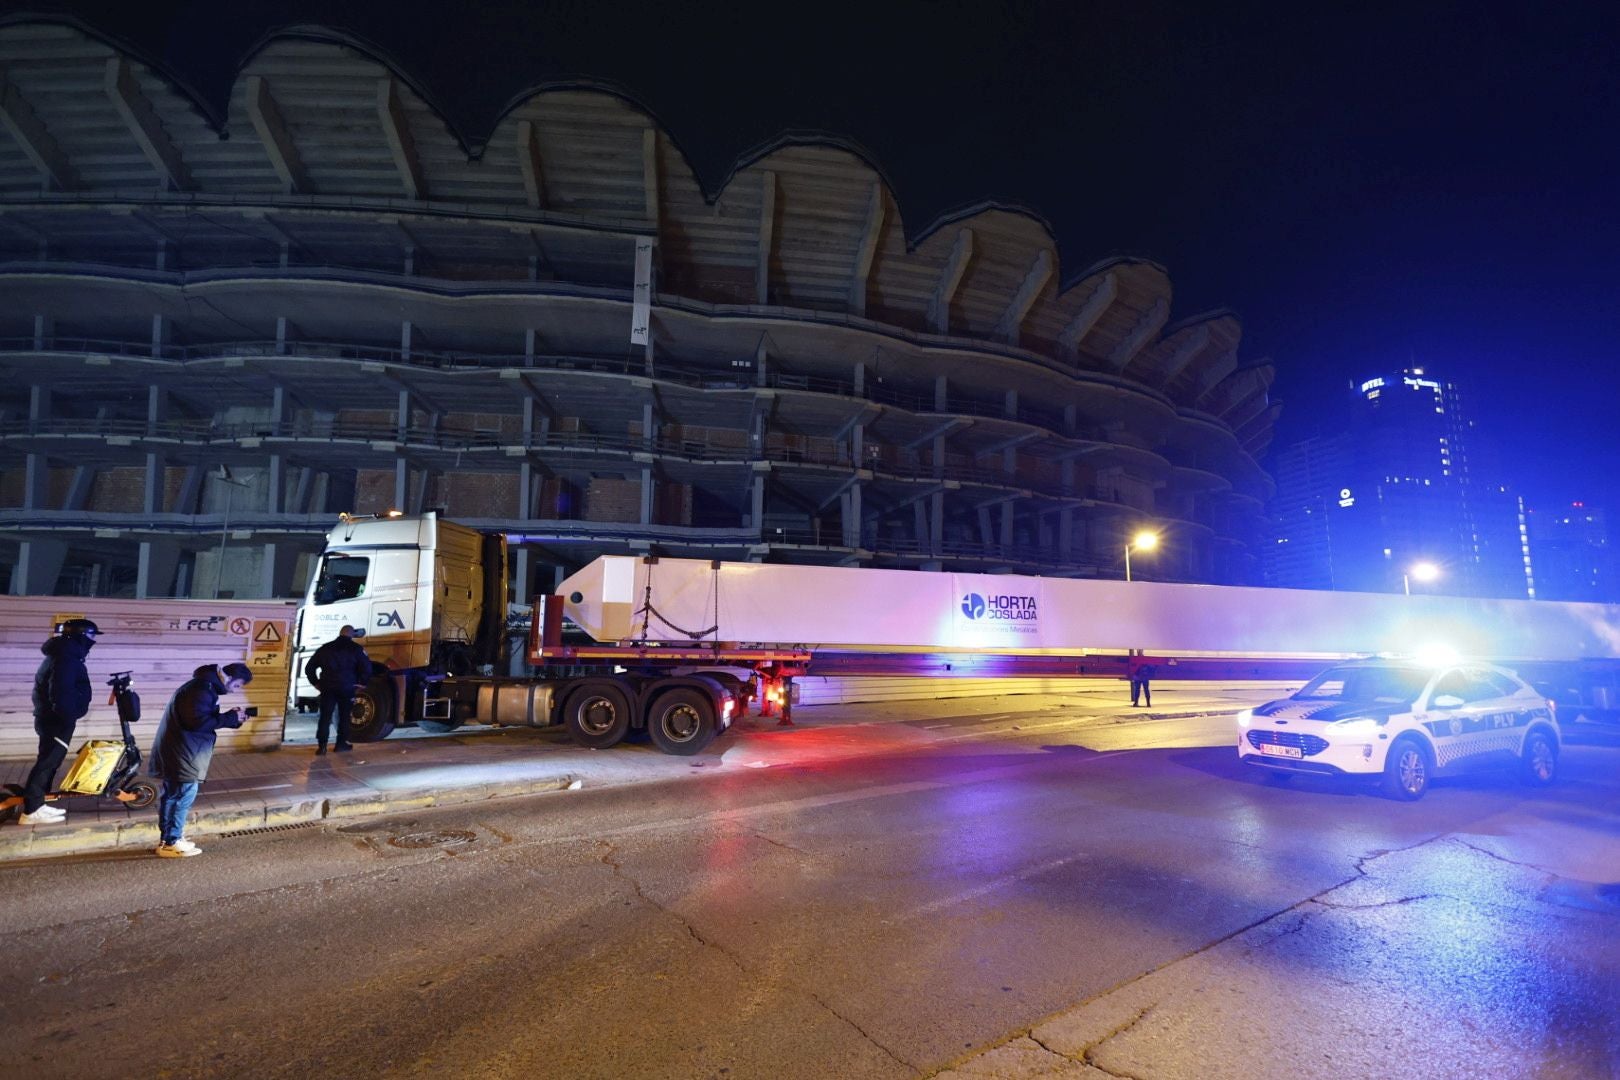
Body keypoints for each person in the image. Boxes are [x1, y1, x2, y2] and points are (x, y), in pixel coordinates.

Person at [149, 662, 253, 858]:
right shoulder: (201, 690)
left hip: (180, 750)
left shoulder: (203, 686)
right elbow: (197, 722)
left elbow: (201, 718)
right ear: (228, 678)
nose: (235, 690)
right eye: (237, 685)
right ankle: (171, 842)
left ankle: (169, 839)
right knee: (183, 795)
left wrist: (233, 719)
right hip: (183, 752)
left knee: (173, 796)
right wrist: (229, 717)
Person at [20, 618, 100, 825]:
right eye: (91, 635)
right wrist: (67, 716)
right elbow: (61, 690)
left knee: (50, 761)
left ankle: (39, 803)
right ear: (81, 636)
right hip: (57, 720)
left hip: (52, 718)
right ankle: (31, 810)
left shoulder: (63, 654)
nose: (93, 640)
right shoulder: (66, 658)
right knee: (47, 762)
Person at [305, 624, 372, 754]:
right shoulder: (356, 649)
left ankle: (322, 746)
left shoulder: (325, 648)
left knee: (325, 717)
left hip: (327, 687)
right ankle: (341, 744)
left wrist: (316, 683)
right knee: (344, 716)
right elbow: (367, 668)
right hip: (347, 687)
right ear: (351, 634)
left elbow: (309, 668)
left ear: (340, 633)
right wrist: (362, 683)